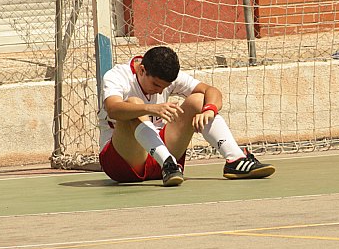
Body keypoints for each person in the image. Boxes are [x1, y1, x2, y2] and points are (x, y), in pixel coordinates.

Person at [97, 46, 276, 187]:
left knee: (198, 100)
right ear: (142, 70)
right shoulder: (117, 76)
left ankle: (235, 159)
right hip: (124, 163)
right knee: (133, 104)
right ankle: (167, 162)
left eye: (163, 87)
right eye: (156, 85)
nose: (159, 90)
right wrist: (150, 108)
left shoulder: (168, 78)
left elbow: (211, 91)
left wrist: (209, 110)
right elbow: (113, 109)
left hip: (162, 160)